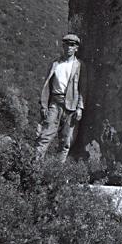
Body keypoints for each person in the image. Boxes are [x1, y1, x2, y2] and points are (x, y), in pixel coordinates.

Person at [36, 33, 86, 163]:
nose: (69, 48)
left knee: (65, 141)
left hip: (71, 105)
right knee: (45, 136)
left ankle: (57, 173)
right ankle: (34, 168)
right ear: (63, 46)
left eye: (72, 45)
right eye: (66, 45)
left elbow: (82, 88)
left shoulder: (79, 65)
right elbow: (47, 85)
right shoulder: (55, 64)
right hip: (55, 104)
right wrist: (44, 105)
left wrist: (80, 107)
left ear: (76, 48)